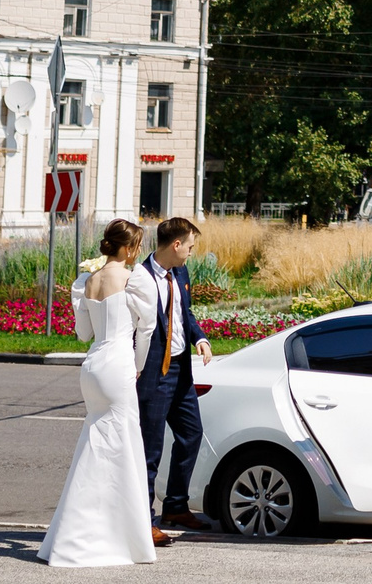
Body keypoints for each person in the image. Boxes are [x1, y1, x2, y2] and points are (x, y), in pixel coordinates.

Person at [40, 220, 158, 567]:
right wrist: (138, 366)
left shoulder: (88, 281)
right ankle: (122, 537)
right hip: (118, 364)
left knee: (94, 445)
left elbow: (82, 333)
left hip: (91, 368)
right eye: (137, 245)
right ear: (128, 248)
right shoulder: (133, 278)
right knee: (124, 446)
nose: (138, 251)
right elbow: (147, 329)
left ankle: (75, 532)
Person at [140, 218, 216, 534]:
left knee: (191, 434)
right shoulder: (140, 277)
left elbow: (185, 314)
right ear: (176, 245)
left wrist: (200, 337)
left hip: (181, 369)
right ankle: (144, 520)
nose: (191, 253)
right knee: (150, 448)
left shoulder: (181, 272)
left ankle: (176, 507)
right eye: (190, 247)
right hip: (154, 372)